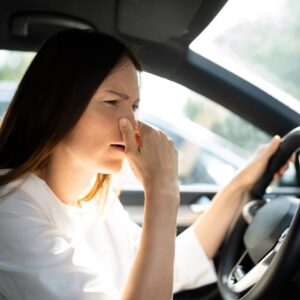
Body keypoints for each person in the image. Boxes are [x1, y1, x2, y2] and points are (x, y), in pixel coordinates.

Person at [0, 28, 288, 300]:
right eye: (113, 102)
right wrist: (161, 191)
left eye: (134, 107)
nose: (133, 125)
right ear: (53, 105)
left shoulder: (94, 201)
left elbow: (170, 265)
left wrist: (242, 182)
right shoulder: (9, 210)